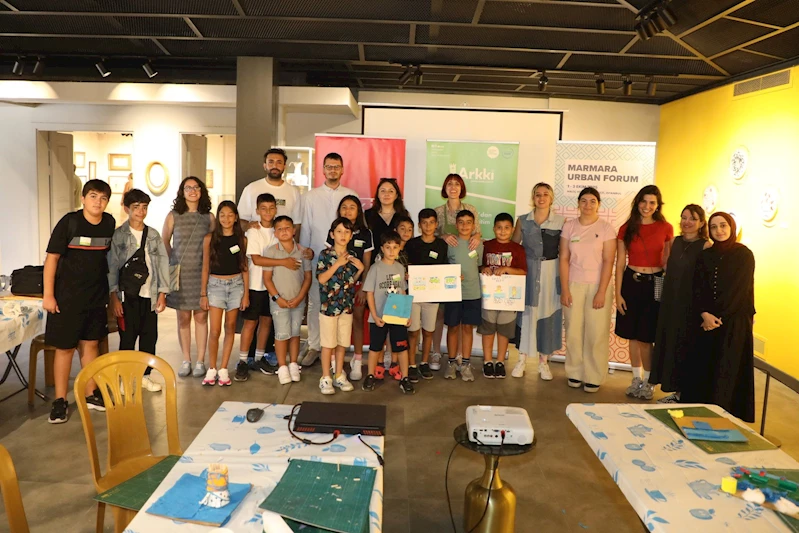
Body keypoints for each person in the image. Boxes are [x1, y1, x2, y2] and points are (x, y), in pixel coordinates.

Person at [43, 179, 115, 424]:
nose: (98, 202)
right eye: (93, 196)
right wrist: (49, 295)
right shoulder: (69, 222)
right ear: (83, 199)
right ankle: (60, 400)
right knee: (64, 349)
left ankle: (90, 393)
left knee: (91, 345)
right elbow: (52, 259)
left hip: (95, 297)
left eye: (103, 198)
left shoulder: (109, 223)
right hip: (67, 298)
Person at [681, 213, 755, 422]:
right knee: (703, 369)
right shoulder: (705, 255)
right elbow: (698, 287)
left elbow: (739, 290)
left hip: (733, 323)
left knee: (726, 370)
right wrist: (705, 314)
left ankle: (724, 417)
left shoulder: (744, 255)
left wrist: (718, 318)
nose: (719, 230)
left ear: (731, 227)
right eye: (714, 227)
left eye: (723, 225)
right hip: (706, 321)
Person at [107, 188, 170, 393]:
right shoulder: (119, 235)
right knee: (127, 337)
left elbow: (162, 264)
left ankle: (145, 377)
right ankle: (124, 379)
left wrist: (162, 293)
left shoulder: (153, 235)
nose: (141, 212)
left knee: (149, 337)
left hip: (149, 294)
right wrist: (114, 297)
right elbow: (112, 267)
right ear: (127, 209)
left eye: (144, 207)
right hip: (127, 295)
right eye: (136, 207)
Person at [615, 184, 673, 400]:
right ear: (637, 202)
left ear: (658, 206)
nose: (647, 206)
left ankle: (649, 381)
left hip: (655, 283)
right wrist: (618, 293)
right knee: (632, 335)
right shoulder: (626, 228)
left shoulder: (666, 228)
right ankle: (635, 379)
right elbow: (620, 263)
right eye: (644, 201)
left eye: (652, 203)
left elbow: (669, 261)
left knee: (646, 337)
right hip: (631, 282)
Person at [299, 153, 357, 367]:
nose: (333, 170)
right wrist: (305, 251)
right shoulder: (311, 196)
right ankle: (315, 345)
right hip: (318, 257)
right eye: (329, 166)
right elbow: (306, 225)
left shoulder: (350, 195)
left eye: (336, 166)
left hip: (345, 258)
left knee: (342, 304)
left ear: (342, 170)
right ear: (323, 170)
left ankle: (336, 349)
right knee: (316, 302)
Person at [650, 205, 711, 403]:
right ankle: (676, 392)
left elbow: (706, 281)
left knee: (685, 348)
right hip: (670, 303)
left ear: (701, 223)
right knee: (671, 346)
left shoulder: (706, 246)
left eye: (693, 218)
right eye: (684, 217)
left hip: (690, 307)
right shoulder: (675, 241)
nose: (687, 222)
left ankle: (683, 395)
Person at [559, 188, 617, 392]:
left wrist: (601, 291)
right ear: (578, 203)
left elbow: (609, 261)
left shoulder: (606, 228)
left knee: (596, 333)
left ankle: (593, 375)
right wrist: (565, 289)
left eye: (592, 201)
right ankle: (575, 372)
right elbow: (564, 258)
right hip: (573, 285)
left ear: (598, 204)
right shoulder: (569, 227)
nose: (588, 205)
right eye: (583, 201)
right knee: (573, 331)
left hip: (598, 286)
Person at [511, 182, 565, 379]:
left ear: (551, 198)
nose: (541, 198)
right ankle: (521, 360)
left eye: (545, 194)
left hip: (551, 273)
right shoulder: (523, 221)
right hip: (529, 271)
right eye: (538, 194)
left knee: (547, 315)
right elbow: (514, 246)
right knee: (526, 315)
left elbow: (565, 252)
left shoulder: (561, 222)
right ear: (533, 198)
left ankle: (544, 363)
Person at [163, 177, 215, 378]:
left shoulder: (209, 217)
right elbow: (165, 241)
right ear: (182, 192)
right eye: (188, 188)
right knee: (183, 318)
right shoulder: (173, 215)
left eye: (196, 187)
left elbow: (214, 244)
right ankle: (186, 359)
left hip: (202, 273)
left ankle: (200, 360)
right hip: (181, 275)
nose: (192, 191)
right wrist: (173, 261)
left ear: (202, 191)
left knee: (201, 317)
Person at [433, 174, 481, 370]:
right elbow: (432, 234)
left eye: (457, 184)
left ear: (462, 188)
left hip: (466, 268)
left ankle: (461, 355)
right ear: (445, 188)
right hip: (445, 264)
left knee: (463, 321)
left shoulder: (471, 209)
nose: (453, 187)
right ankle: (437, 352)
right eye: (449, 184)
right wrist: (443, 235)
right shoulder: (438, 211)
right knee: (442, 315)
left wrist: (477, 237)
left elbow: (477, 232)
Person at [324, 195, 374, 380]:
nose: (348, 210)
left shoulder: (366, 233)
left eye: (352, 207)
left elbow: (367, 264)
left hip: (357, 285)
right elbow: (328, 261)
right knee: (335, 324)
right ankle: (333, 363)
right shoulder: (334, 230)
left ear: (358, 211)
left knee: (357, 321)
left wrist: (363, 288)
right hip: (335, 287)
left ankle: (357, 361)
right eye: (344, 207)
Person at [200, 201, 249, 386]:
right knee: (215, 330)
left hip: (236, 285)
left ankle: (223, 368)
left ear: (235, 217)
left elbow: (244, 267)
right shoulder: (209, 239)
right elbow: (205, 267)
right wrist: (203, 293)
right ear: (218, 217)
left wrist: (246, 294)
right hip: (215, 286)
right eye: (222, 215)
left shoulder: (242, 240)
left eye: (230, 215)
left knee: (230, 327)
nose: (226, 219)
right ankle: (212, 368)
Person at [361, 231, 414, 394]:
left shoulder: (400, 268)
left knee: (402, 347)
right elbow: (369, 293)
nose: (391, 251)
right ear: (382, 248)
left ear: (399, 249)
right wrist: (374, 315)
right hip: (379, 317)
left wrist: (406, 314)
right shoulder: (375, 268)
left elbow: (402, 291)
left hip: (397, 317)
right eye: (388, 247)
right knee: (375, 348)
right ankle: (370, 375)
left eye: (395, 247)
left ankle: (405, 377)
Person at [317, 217, 365, 393]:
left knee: (342, 343)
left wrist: (360, 269)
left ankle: (339, 375)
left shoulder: (352, 256)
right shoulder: (325, 255)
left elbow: (351, 281)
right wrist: (337, 263)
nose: (343, 235)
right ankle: (325, 377)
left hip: (346, 306)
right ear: (332, 235)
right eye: (339, 231)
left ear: (351, 235)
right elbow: (321, 279)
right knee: (328, 343)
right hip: (329, 307)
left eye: (347, 232)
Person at [265, 216, 313, 386]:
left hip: (298, 301)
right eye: (279, 229)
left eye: (287, 228)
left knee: (295, 333)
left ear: (294, 230)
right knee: (281, 334)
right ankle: (282, 366)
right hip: (279, 302)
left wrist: (300, 297)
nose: (284, 231)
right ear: (275, 233)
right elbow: (267, 279)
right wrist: (277, 298)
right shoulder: (271, 252)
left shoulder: (303, 252)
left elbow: (308, 278)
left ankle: (293, 364)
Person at [480, 213, 527, 379]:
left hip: (508, 300)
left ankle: (500, 361)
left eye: (507, 228)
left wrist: (507, 269)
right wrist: (483, 268)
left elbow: (523, 272)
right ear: (494, 229)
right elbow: (479, 265)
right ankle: (487, 361)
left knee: (504, 330)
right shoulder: (487, 246)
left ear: (512, 229)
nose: (502, 231)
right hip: (489, 298)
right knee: (488, 329)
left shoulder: (518, 249)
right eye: (499, 228)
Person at [235, 193, 277, 382]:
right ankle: (243, 361)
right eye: (263, 208)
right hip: (254, 284)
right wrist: (283, 261)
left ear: (276, 209)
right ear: (257, 211)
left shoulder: (278, 230)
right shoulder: (253, 231)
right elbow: (257, 259)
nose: (267, 212)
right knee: (250, 323)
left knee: (266, 322)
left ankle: (259, 358)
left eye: (271, 208)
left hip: (272, 286)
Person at [405, 209, 448, 382]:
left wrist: (453, 277)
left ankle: (424, 362)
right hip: (414, 296)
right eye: (424, 223)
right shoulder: (412, 244)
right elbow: (406, 264)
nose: (428, 226)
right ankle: (411, 364)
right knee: (413, 331)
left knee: (429, 331)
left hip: (432, 296)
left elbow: (445, 268)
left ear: (436, 224)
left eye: (431, 222)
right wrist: (406, 274)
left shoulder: (441, 245)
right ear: (419, 225)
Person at [444, 210, 484, 382]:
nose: (465, 226)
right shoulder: (450, 243)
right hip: (453, 292)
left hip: (472, 292)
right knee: (453, 327)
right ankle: (452, 362)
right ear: (456, 225)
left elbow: (479, 265)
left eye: (469, 222)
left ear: (474, 225)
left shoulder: (478, 244)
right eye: (461, 222)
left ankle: (466, 364)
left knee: (467, 328)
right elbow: (444, 266)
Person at [238, 148, 303, 230]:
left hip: (283, 238)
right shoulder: (251, 189)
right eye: (271, 162)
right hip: (256, 237)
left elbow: (297, 224)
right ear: (265, 165)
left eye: (279, 162)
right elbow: (241, 220)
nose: (275, 166)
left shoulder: (293, 192)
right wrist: (248, 227)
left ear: (284, 166)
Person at [364, 178, 410, 265]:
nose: (386, 194)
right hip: (373, 263)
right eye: (383, 191)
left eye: (391, 191)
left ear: (396, 195)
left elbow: (407, 240)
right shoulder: (368, 215)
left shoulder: (403, 215)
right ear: (378, 195)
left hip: (398, 262)